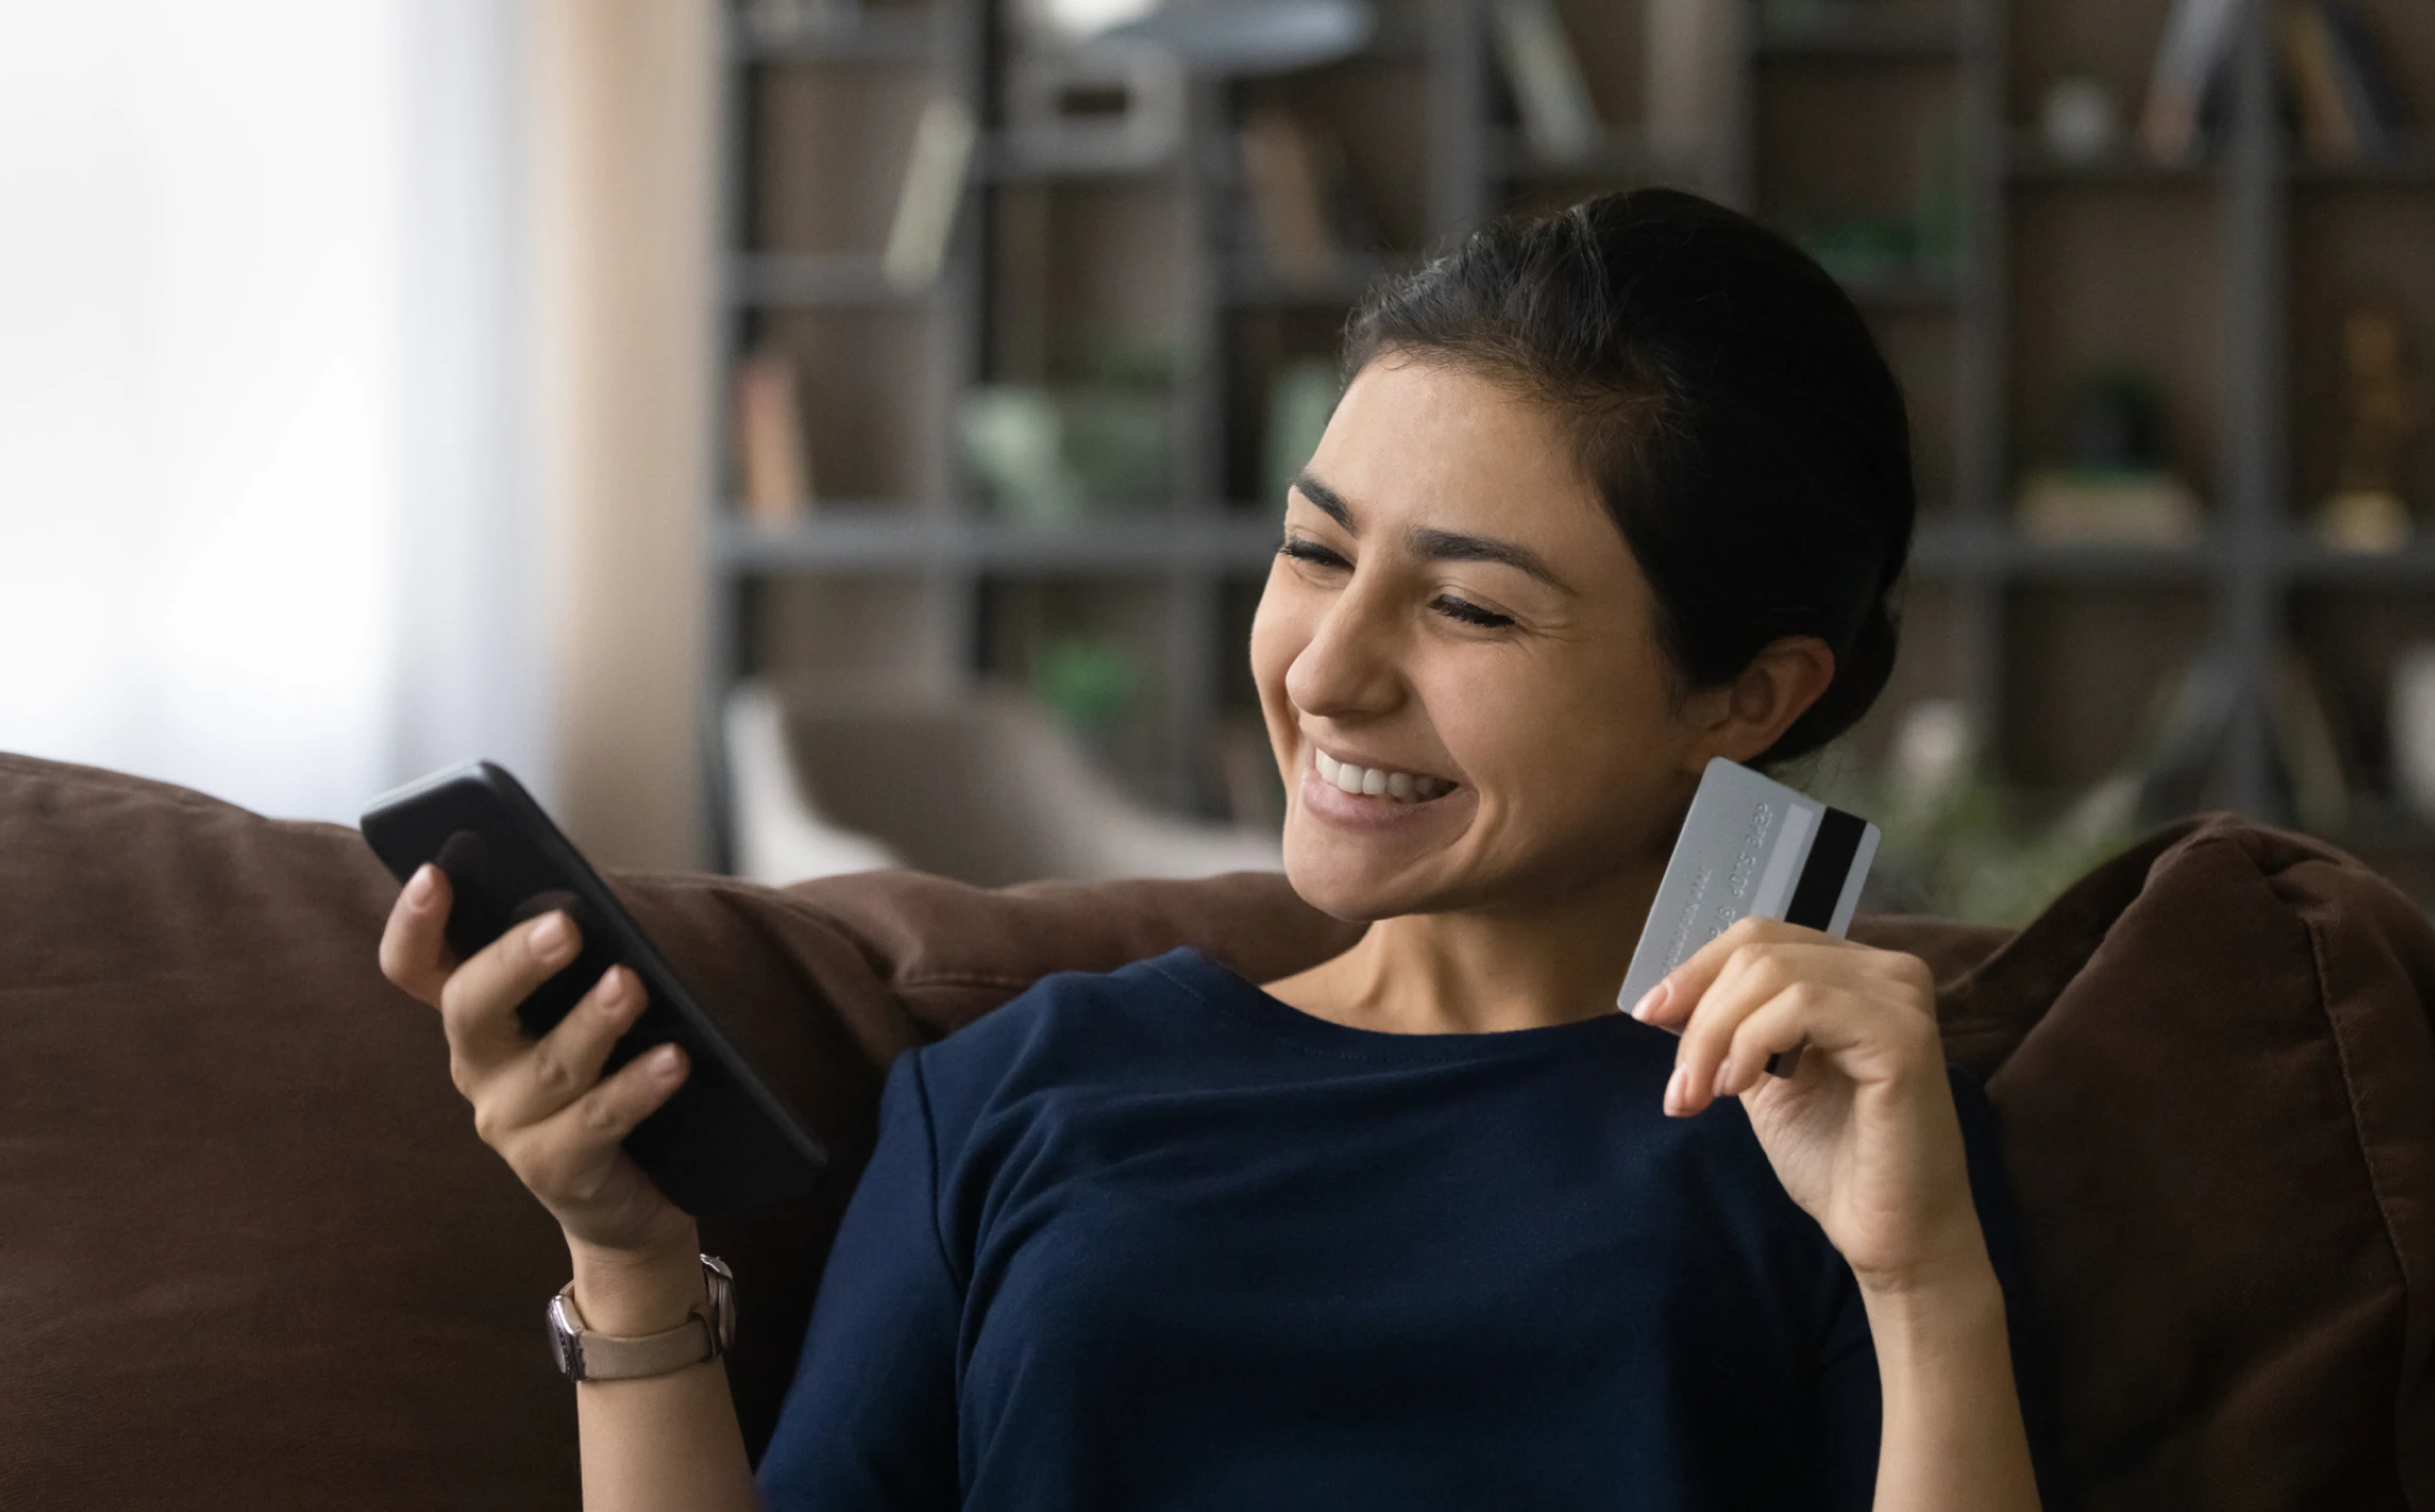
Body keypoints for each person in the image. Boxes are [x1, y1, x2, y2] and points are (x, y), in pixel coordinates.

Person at [380, 187, 2052, 1511]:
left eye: (1467, 604)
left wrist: (1920, 1281)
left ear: (1746, 694)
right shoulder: (1025, 1089)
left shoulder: (1847, 1135)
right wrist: (628, 1254)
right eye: (1314, 552)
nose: (1326, 670)